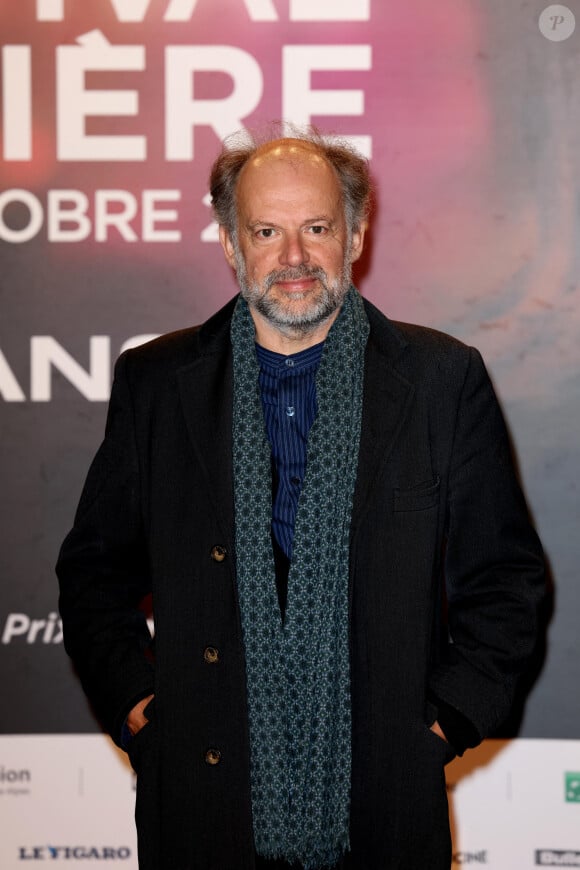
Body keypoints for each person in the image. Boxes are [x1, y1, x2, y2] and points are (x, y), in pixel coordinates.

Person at [57, 128, 545, 870]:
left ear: (354, 236)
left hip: (382, 804)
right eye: (266, 231)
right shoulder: (156, 384)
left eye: (316, 228)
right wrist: (142, 711)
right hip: (201, 804)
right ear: (230, 243)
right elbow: (94, 573)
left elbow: (505, 582)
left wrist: (441, 725)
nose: (293, 258)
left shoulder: (441, 381)